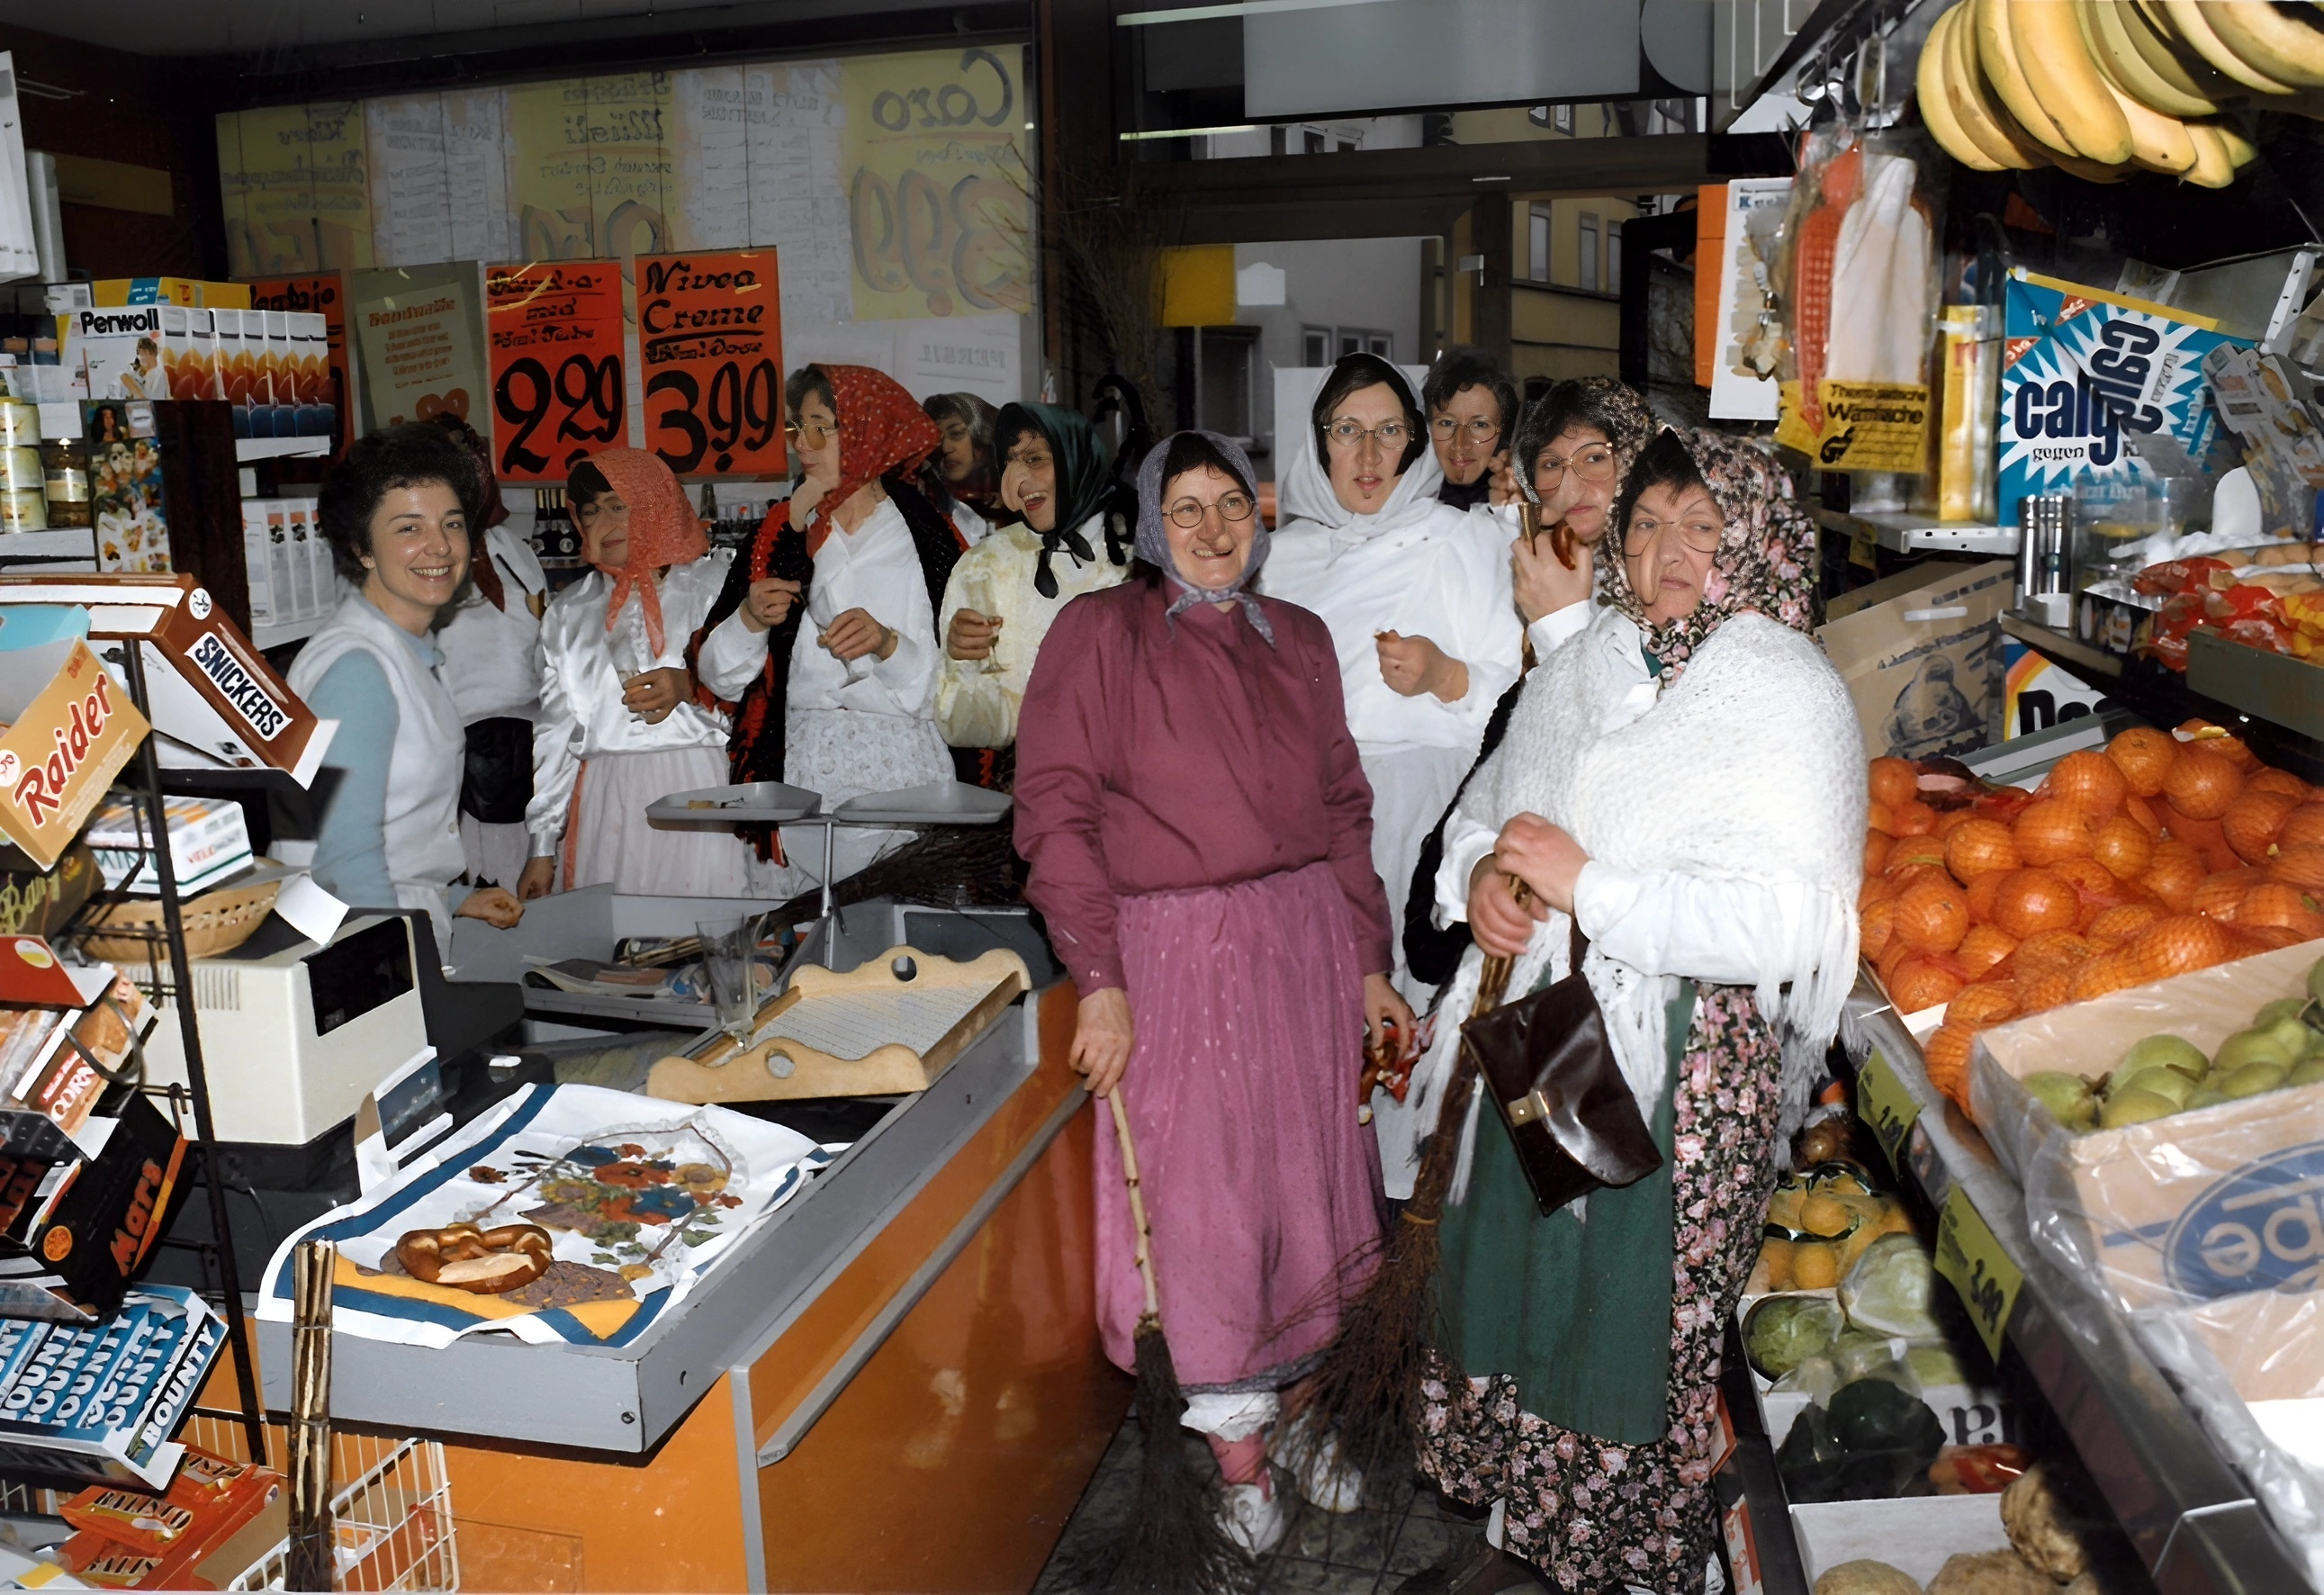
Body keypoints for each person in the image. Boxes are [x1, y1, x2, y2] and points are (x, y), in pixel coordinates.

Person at [1413, 428, 1863, 1595]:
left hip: (1682, 1069)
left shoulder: (1785, 693)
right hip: (1555, 1035)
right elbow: (1489, 804)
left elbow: (1787, 929)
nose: (1669, 549)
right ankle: (1528, 1535)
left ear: (1755, 542)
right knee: (1528, 1287)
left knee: (1623, 1322)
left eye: (1703, 528)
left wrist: (1591, 889)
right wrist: (1484, 881)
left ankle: (1624, 1557)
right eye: (1649, 522)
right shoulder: (1590, 662)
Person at [1014, 429, 1413, 1555]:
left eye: (1228, 503)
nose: (1209, 529)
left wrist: (1367, 962)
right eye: (1182, 507)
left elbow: (1343, 811)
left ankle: (1292, 1417)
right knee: (1203, 1210)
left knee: (1310, 1193)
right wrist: (1097, 978)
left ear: (1259, 514)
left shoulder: (1302, 639)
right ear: (1148, 522)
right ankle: (1235, 1456)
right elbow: (1054, 814)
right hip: (1172, 957)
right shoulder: (1097, 634)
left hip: (1298, 951)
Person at [1263, 352, 1522, 1193]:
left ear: (1412, 446)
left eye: (1387, 433)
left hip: (1420, 817)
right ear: (1319, 444)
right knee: (1315, 1030)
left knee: (1415, 1025)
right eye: (1347, 432)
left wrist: (1445, 673)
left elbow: (1512, 704)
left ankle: (1413, 1208)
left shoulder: (1464, 538)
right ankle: (1325, 1204)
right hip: (1310, 825)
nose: (1368, 457)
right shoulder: (1280, 560)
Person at [1402, 376, 1659, 995]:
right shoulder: (1545, 577)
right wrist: (1481, 867)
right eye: (1551, 465)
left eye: (1596, 457)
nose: (1574, 484)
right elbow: (1495, 792)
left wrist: (1560, 629)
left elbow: (1634, 781)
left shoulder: (1679, 604)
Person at [696, 365, 966, 894]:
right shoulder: (776, 533)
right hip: (800, 766)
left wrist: (890, 646)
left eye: (823, 426)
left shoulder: (930, 541)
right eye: (797, 427)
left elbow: (965, 688)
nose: (805, 444)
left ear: (867, 430)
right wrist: (750, 619)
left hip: (901, 770)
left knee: (896, 943)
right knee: (805, 944)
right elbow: (720, 679)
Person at [290, 424, 525, 944]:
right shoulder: (357, 670)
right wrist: (400, 980)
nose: (440, 546)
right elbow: (344, 859)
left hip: (396, 921)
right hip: (367, 947)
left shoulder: (407, 650)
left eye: (453, 523)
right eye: (409, 528)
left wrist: (456, 899)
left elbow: (394, 828)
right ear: (363, 547)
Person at [517, 449, 769, 900]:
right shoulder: (570, 612)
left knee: (707, 929)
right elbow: (555, 735)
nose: (602, 523)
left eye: (618, 505)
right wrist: (541, 846)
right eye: (590, 511)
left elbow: (761, 699)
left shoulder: (715, 587)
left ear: (655, 504)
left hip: (702, 783)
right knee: (618, 943)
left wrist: (691, 688)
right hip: (607, 796)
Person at [935, 402, 1130, 754]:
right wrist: (963, 665)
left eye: (1035, 459)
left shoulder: (1147, 558)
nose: (1019, 481)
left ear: (1076, 456)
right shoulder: (986, 565)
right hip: (1038, 788)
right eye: (1008, 463)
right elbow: (976, 730)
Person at [428, 416, 547, 894]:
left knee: (532, 905)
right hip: (455, 769)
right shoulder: (419, 561)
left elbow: (543, 651)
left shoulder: (513, 549)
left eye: (471, 454)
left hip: (530, 762)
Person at [1422, 349, 1518, 513]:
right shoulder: (1397, 502)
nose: (1460, 444)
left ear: (1503, 434)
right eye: (1447, 423)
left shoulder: (1522, 503)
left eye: (1480, 425)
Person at [922, 391, 1003, 545]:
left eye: (956, 434)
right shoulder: (927, 510)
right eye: (937, 439)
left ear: (984, 434)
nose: (945, 448)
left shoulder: (1023, 503)